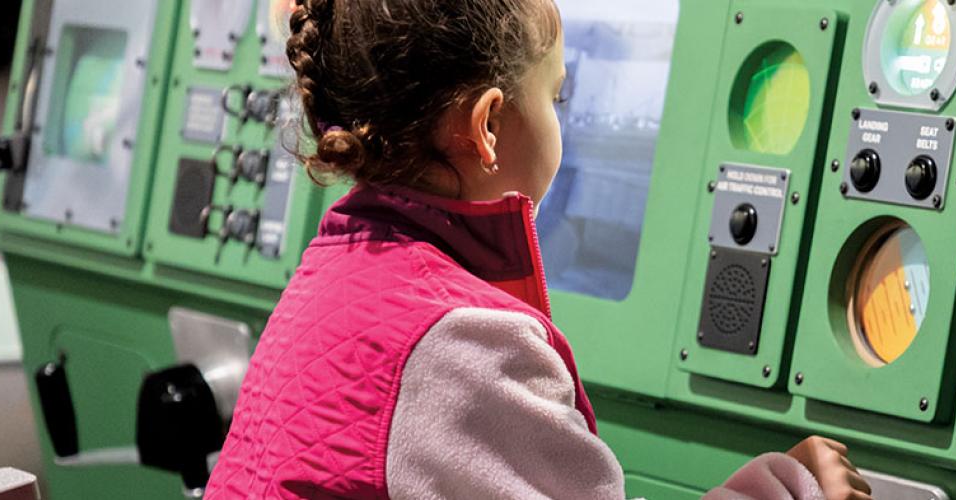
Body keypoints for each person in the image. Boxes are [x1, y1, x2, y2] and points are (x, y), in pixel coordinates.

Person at [204, 1, 872, 499]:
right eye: (556, 96)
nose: (563, 121)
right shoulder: (461, 343)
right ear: (488, 126)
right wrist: (787, 486)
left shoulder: (338, 270)